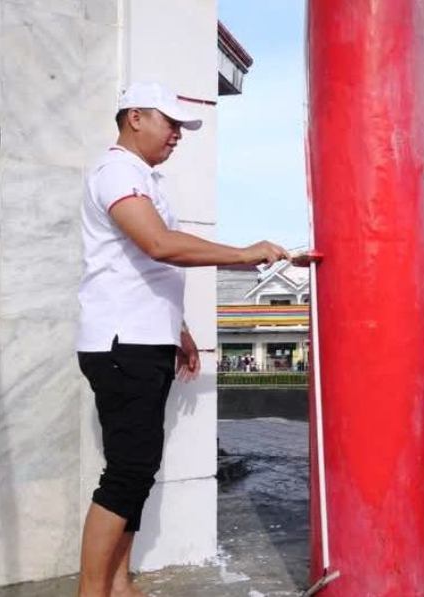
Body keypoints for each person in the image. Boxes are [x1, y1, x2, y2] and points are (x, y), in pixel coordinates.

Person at [76, 81, 289, 597]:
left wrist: (181, 331)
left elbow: (146, 268)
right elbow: (157, 244)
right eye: (168, 122)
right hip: (120, 343)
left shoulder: (145, 178)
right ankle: (91, 591)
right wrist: (243, 253)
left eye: (181, 127)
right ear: (134, 118)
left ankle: (119, 583)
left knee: (138, 468)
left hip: (146, 339)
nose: (177, 134)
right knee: (126, 472)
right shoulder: (116, 172)